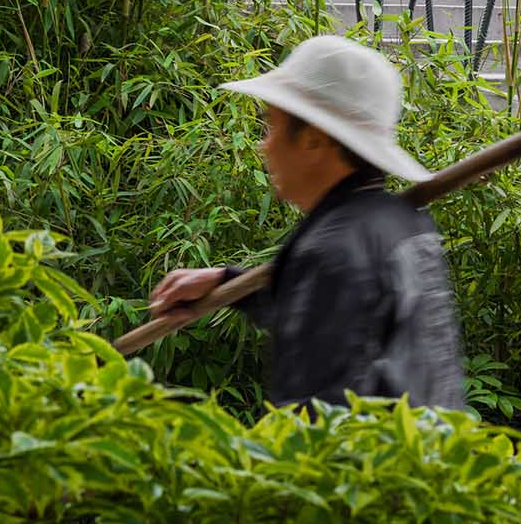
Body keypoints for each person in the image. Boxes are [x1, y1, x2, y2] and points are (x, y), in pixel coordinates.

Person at [150, 34, 465, 412]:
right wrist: (227, 282)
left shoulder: (334, 252)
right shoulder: (401, 222)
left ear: (314, 140)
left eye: (272, 127)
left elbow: (317, 428)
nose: (263, 146)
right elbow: (333, 311)